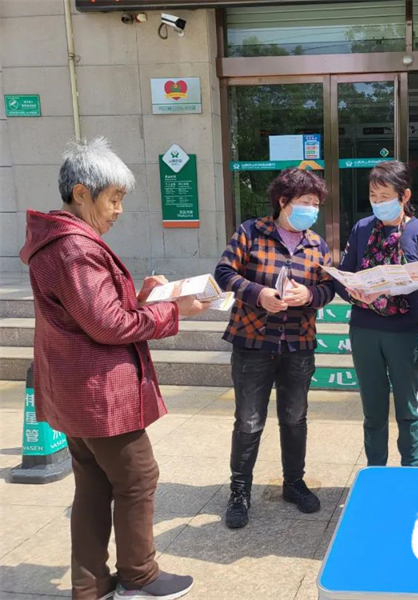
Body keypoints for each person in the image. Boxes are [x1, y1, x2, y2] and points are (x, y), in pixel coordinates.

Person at [19, 137, 207, 600]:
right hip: (98, 394)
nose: (119, 210)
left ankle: (90, 585)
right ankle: (139, 576)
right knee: (138, 478)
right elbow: (108, 325)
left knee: (93, 484)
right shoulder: (74, 247)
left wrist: (141, 297)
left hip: (76, 389)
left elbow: (91, 311)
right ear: (82, 193)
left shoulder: (61, 240)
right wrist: (173, 310)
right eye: (114, 199)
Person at [215, 167, 335, 529]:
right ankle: (239, 492)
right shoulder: (251, 232)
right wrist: (258, 293)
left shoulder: (316, 244)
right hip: (253, 342)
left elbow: (329, 288)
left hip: (298, 343)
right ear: (283, 201)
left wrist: (310, 294)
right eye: (306, 202)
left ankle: (293, 483)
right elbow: (224, 273)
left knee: (295, 417)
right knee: (249, 420)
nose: (312, 209)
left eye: (316, 204)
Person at [334, 161, 418, 467]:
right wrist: (353, 291)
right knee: (373, 411)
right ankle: (375, 471)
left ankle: (410, 471)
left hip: (406, 333)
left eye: (385, 196)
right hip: (365, 330)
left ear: (404, 195)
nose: (378, 202)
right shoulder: (362, 229)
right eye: (373, 196)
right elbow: (344, 275)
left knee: (408, 410)